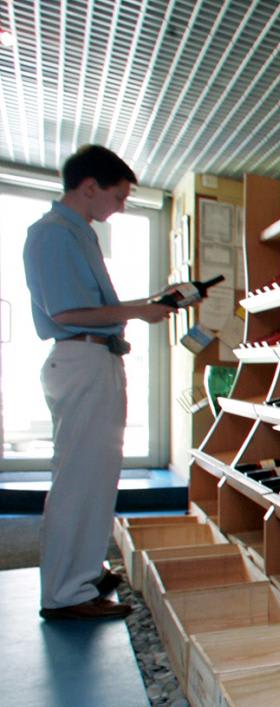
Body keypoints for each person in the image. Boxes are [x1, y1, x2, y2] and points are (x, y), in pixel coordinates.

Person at [23, 145, 172, 620]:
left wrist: (144, 306)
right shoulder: (53, 233)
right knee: (78, 481)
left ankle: (84, 574)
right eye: (119, 196)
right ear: (90, 187)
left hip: (96, 357)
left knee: (97, 478)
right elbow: (67, 311)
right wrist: (140, 311)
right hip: (81, 356)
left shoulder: (78, 233)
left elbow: (89, 306)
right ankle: (66, 594)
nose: (122, 206)